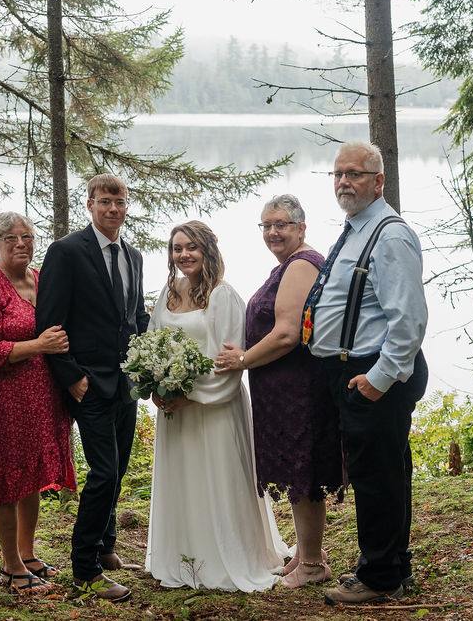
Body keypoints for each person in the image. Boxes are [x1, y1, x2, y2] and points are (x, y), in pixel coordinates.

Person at [307, 141, 428, 606]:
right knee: (386, 472)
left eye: (354, 174)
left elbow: (409, 320)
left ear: (378, 182)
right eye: (338, 174)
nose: (343, 182)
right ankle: (393, 565)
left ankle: (379, 578)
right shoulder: (357, 228)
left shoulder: (389, 235)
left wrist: (379, 378)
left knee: (376, 476)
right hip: (354, 369)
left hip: (374, 373)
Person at [145, 221, 290, 592]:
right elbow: (152, 341)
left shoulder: (223, 296)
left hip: (213, 407)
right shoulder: (167, 293)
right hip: (174, 411)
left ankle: (229, 556)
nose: (184, 255)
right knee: (183, 480)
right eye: (177, 248)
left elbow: (229, 361)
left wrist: (190, 393)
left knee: (217, 479)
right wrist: (154, 386)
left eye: (191, 247)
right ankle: (184, 555)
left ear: (208, 249)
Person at [213, 193, 345, 588]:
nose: (272, 232)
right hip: (284, 390)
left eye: (281, 224)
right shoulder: (290, 265)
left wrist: (243, 360)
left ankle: (311, 565)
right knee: (295, 470)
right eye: (266, 225)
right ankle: (310, 552)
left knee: (303, 471)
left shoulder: (302, 265)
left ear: (301, 228)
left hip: (299, 391)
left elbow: (287, 334)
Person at [35, 174, 150, 603]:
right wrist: (72, 378)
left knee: (117, 469)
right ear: (89, 204)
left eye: (119, 202)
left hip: (125, 382)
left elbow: (137, 316)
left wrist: (146, 369)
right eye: (104, 201)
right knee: (103, 473)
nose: (113, 209)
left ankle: (105, 547)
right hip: (87, 383)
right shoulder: (65, 252)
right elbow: (49, 320)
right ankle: (83, 569)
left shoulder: (133, 256)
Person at [0, 211, 77, 594]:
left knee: (32, 475)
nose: (20, 244)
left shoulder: (40, 279)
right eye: (11, 238)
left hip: (46, 394)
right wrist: (37, 346)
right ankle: (11, 564)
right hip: (6, 398)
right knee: (9, 479)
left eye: (27, 237)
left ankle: (27, 554)